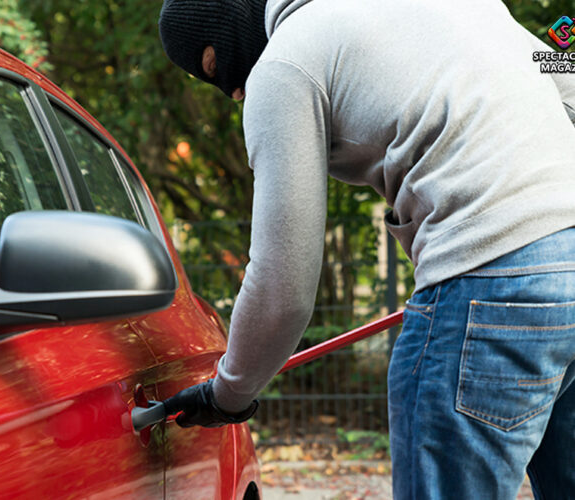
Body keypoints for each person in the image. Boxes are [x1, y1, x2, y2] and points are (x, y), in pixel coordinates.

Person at [158, 0, 575, 498]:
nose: (236, 92)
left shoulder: (284, 64)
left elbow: (282, 287)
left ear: (230, 27)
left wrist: (228, 394)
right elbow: (566, 76)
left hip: (486, 281)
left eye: (216, 68)